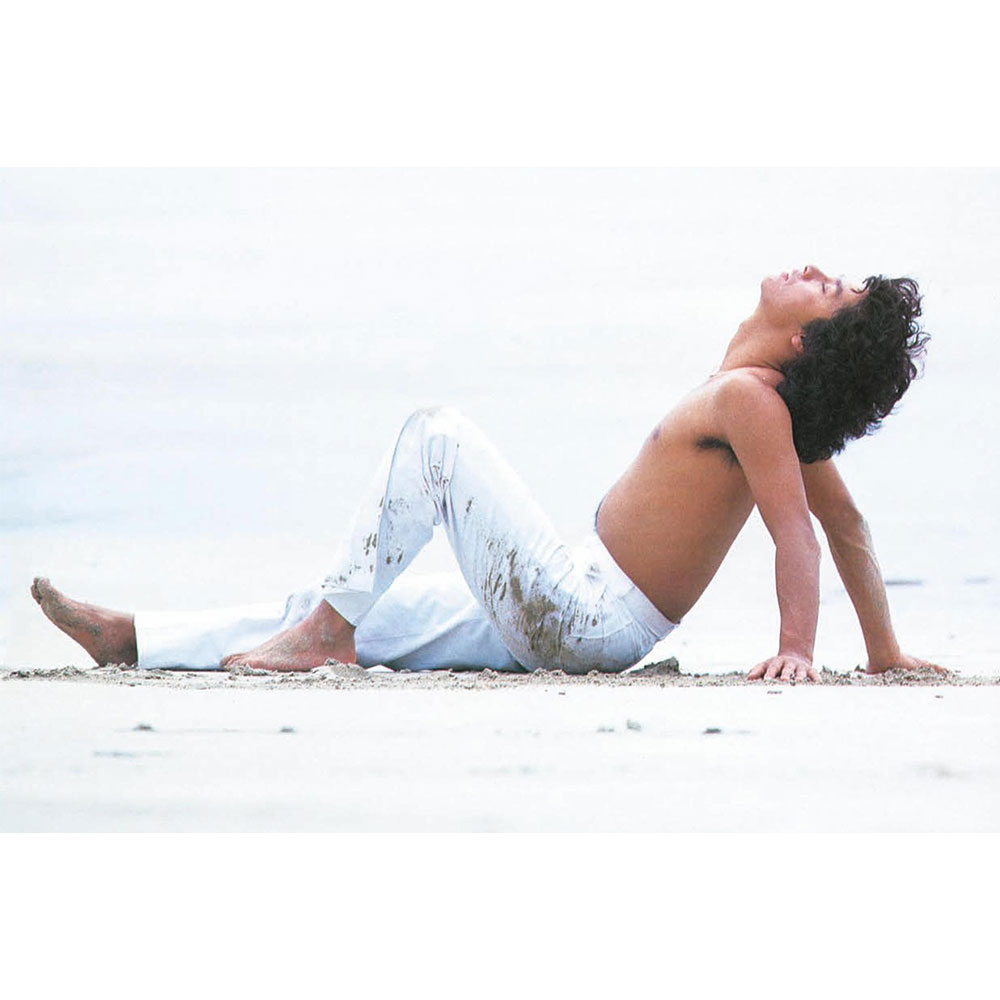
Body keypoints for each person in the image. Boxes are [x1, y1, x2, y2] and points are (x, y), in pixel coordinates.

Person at [31, 265, 943, 682]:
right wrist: (885, 653)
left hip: (587, 617)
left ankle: (323, 635)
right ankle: (136, 638)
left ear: (803, 340)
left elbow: (801, 533)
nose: (815, 270)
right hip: (573, 602)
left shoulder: (752, 401)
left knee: (437, 438)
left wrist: (796, 649)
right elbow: (849, 528)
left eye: (829, 290)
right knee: (348, 604)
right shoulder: (764, 409)